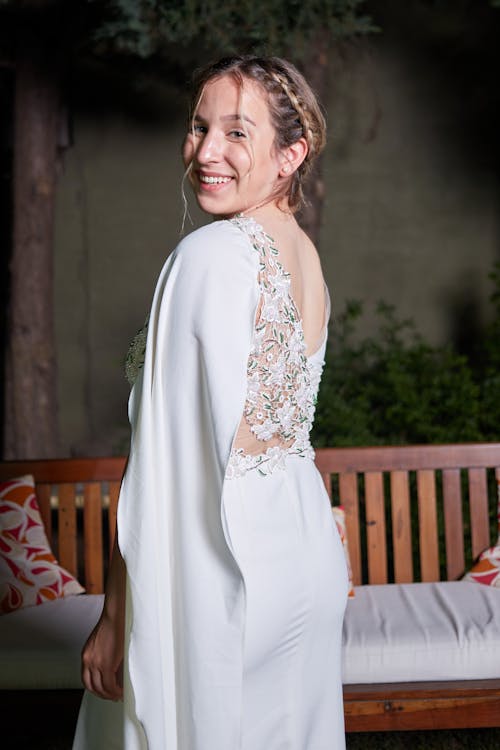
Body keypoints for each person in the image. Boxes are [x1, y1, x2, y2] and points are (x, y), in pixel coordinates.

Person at [73, 55, 349, 750]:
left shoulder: (210, 255)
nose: (206, 152)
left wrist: (116, 617)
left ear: (291, 155)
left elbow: (166, 467)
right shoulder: (304, 258)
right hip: (303, 557)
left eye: (236, 133)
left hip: (224, 564)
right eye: (199, 128)